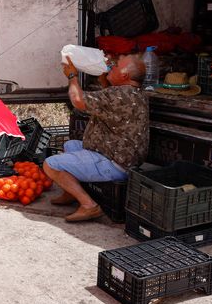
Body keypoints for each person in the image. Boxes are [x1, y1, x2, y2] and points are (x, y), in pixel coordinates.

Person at [43, 54, 149, 222]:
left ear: (124, 76)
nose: (111, 66)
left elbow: (78, 100)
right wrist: (103, 75)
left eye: (115, 66)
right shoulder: (134, 93)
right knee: (71, 145)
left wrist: (72, 76)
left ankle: (89, 206)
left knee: (51, 165)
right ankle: (71, 192)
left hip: (115, 164)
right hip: (123, 158)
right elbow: (110, 95)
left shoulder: (119, 95)